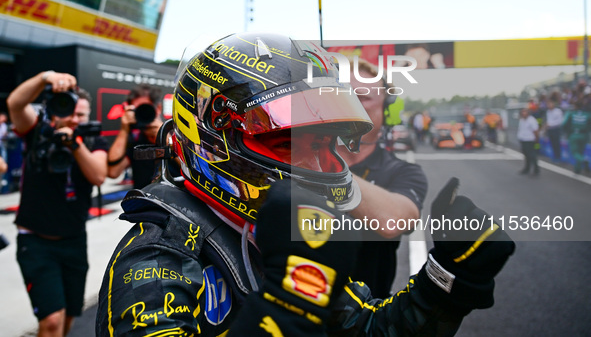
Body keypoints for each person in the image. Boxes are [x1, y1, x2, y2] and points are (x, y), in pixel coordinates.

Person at [96, 32, 514, 336]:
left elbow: (370, 327)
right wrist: (283, 312)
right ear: (216, 135)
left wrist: (449, 282)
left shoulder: (269, 235)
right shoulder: (157, 257)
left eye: (322, 144)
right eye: (289, 142)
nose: (318, 163)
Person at [7, 70, 107, 337]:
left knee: (69, 317)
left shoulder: (91, 140)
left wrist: (74, 144)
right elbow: (15, 104)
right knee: (51, 321)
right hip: (36, 241)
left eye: (81, 115)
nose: (74, 119)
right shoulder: (38, 131)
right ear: (54, 110)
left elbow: (98, 175)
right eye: (69, 111)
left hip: (73, 240)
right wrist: (43, 78)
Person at [339, 58, 426, 298]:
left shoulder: (403, 171)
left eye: (363, 97)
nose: (349, 102)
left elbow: (395, 221)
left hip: (366, 318)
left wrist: (317, 165)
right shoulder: (294, 156)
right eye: (342, 93)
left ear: (387, 109)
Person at [107, 84, 164, 189]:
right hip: (143, 201)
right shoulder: (136, 139)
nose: (143, 113)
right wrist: (124, 129)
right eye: (138, 110)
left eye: (146, 108)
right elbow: (113, 172)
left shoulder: (173, 133)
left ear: (158, 108)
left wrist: (165, 138)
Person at [562, 99, 591, 174]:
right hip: (584, 135)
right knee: (580, 152)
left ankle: (584, 160)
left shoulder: (571, 113)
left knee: (575, 152)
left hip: (574, 135)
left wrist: (567, 132)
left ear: (575, 106)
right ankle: (577, 169)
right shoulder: (587, 114)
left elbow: (563, 123)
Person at [517, 108, 540, 176]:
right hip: (523, 139)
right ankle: (527, 168)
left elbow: (535, 130)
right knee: (526, 155)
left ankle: (536, 170)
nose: (523, 114)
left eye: (525, 112)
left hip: (530, 140)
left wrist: (536, 139)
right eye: (522, 112)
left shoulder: (531, 120)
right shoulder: (521, 120)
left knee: (532, 155)